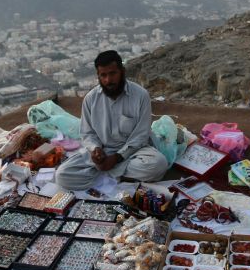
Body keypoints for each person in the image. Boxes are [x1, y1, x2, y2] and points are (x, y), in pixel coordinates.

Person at [55, 50, 168, 190]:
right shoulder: (91, 99)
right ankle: (118, 176)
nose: (108, 80)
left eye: (113, 73)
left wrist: (117, 158)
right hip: (103, 153)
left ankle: (104, 175)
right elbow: (87, 134)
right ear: (98, 76)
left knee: (158, 165)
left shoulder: (140, 96)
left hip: (132, 152)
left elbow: (140, 136)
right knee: (62, 175)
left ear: (122, 71)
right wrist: (95, 150)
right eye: (103, 75)